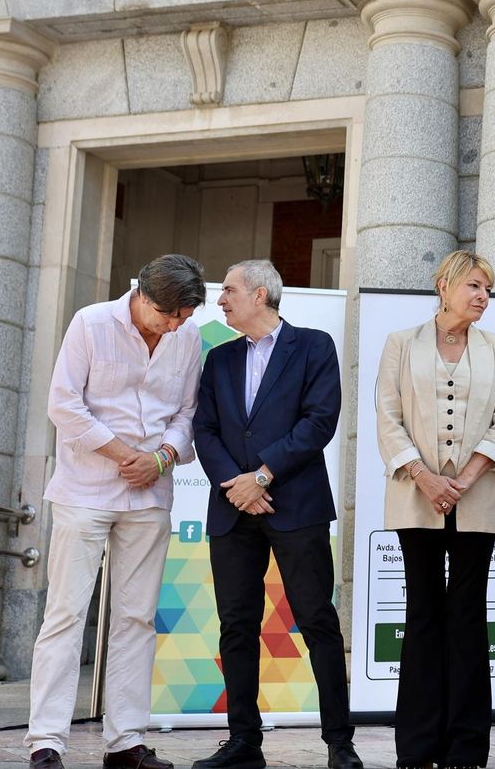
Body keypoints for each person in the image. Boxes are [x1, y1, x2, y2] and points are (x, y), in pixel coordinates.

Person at [28, 255, 207, 769]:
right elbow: (63, 404)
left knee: (136, 618)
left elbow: (187, 412)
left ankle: (125, 741)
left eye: (184, 318)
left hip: (150, 494)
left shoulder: (187, 335)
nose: (176, 326)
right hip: (85, 489)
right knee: (65, 613)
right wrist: (122, 455)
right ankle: (46, 741)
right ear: (144, 298)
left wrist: (162, 457)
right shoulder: (90, 322)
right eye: (169, 316)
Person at [191, 260, 360, 769]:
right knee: (236, 626)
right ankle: (244, 742)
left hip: (296, 506)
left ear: (261, 294)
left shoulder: (313, 346)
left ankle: (339, 743)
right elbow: (206, 430)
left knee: (317, 621)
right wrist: (237, 486)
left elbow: (319, 421)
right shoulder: (218, 358)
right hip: (232, 510)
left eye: (230, 291)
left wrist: (261, 477)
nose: (220, 300)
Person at [376, 251, 495, 769]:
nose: (482, 297)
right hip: (417, 493)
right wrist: (425, 477)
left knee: (467, 616)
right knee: (422, 615)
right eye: (475, 286)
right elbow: (387, 418)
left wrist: (463, 479)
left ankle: (465, 749)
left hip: (476, 496)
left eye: (488, 290)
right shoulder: (400, 344)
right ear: (444, 285)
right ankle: (416, 748)